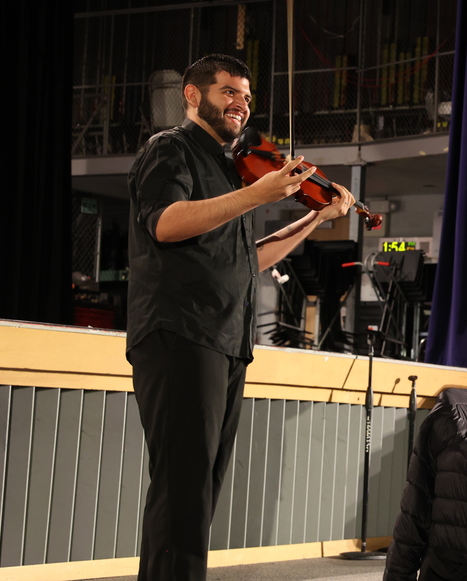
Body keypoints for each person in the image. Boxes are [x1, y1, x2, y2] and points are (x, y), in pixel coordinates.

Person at [126, 53, 356, 581]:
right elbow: (164, 223)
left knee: (200, 489)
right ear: (192, 94)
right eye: (229, 91)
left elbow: (249, 259)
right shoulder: (170, 148)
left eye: (247, 96)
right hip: (180, 332)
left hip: (225, 339)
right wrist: (255, 195)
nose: (241, 104)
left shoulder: (229, 167)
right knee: (183, 488)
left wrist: (317, 217)